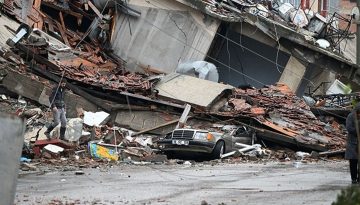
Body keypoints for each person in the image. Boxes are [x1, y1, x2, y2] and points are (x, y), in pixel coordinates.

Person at [345, 103, 360, 184]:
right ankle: (353, 178)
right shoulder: (351, 116)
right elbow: (349, 128)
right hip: (353, 142)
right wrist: (357, 131)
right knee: (353, 161)